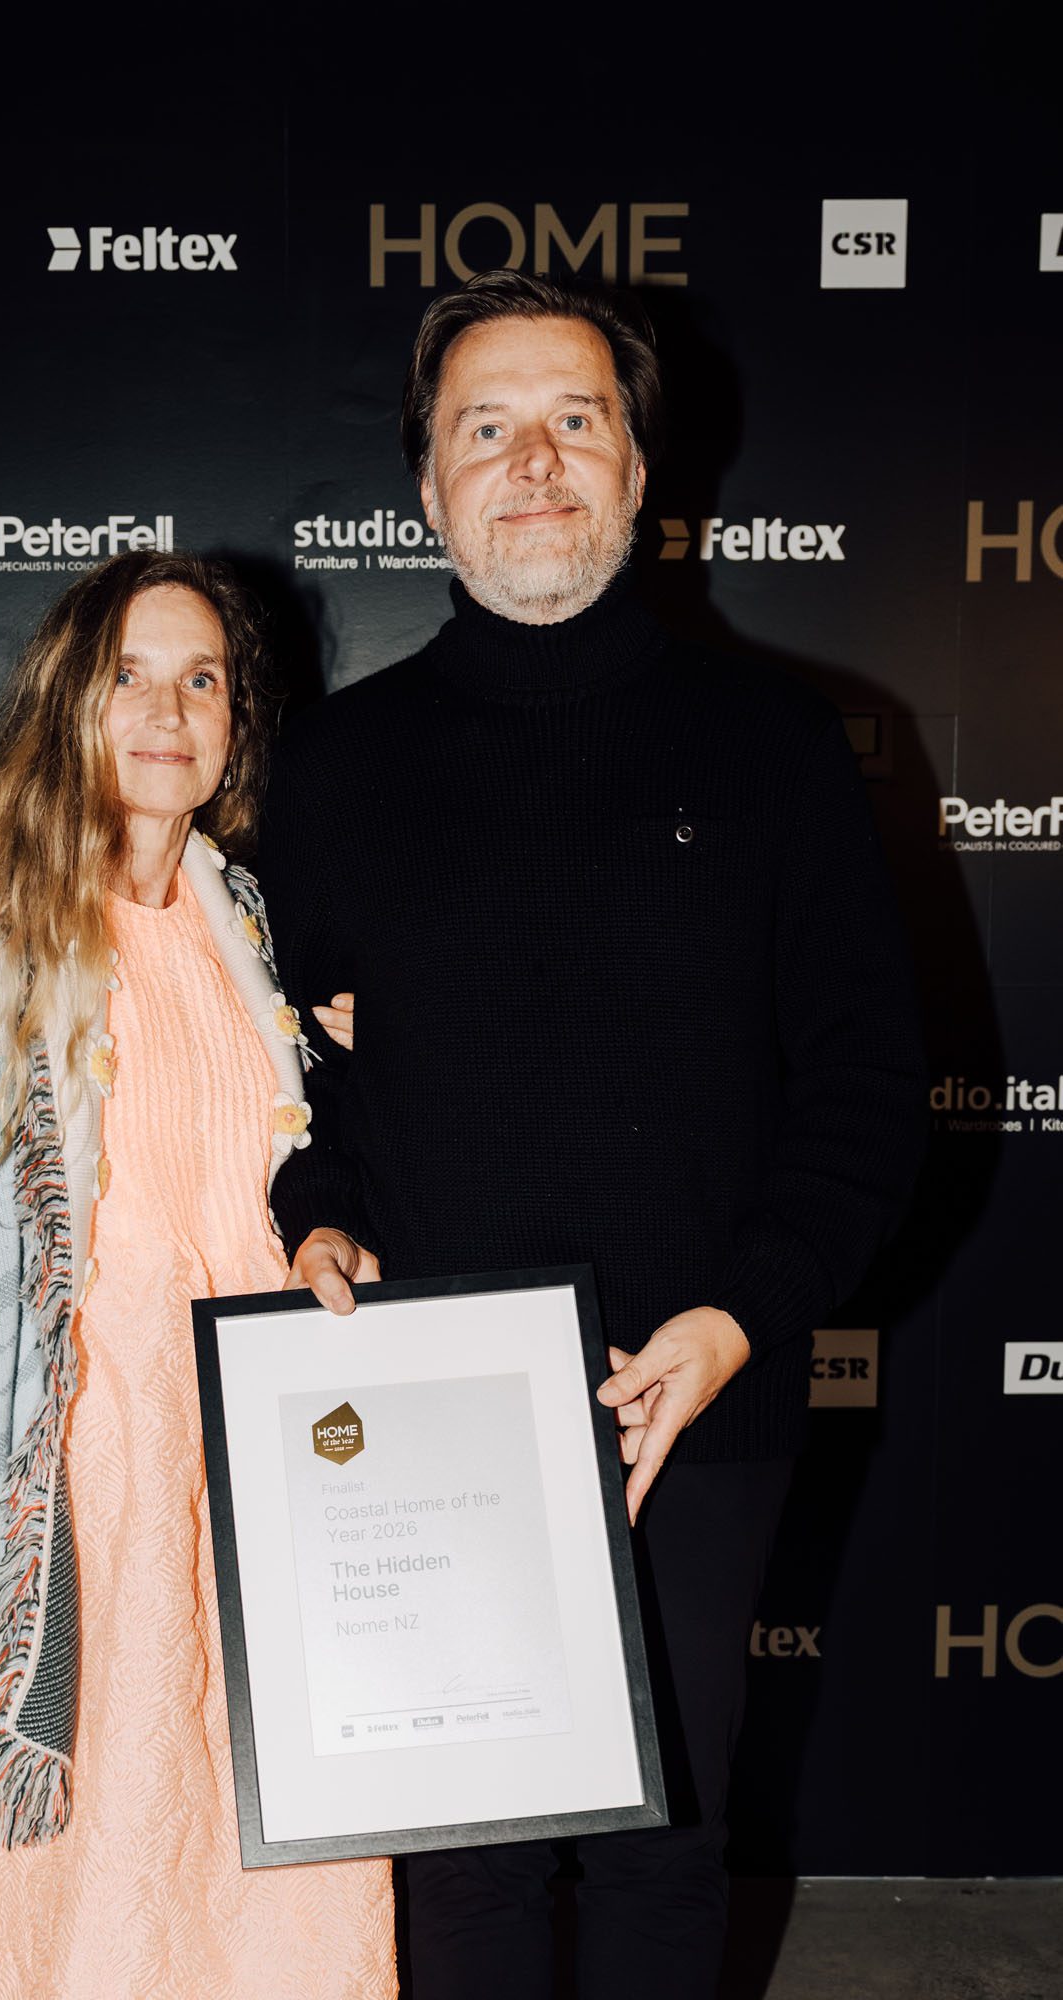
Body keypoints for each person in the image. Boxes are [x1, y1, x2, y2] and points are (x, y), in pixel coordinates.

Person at [254, 271, 927, 1999]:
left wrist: (736, 1321)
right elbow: (295, 1087)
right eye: (485, 427)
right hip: (425, 1412)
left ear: (638, 469)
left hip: (694, 1392)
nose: (533, 461)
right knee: (459, 1874)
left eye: (575, 419)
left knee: (661, 1856)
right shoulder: (331, 770)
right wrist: (317, 1214)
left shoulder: (776, 745)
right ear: (429, 487)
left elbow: (866, 1089)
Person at [0, 551, 394, 2000]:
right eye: (129, 675)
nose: (168, 710)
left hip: (246, 1457)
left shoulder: (246, 925)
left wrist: (318, 1232)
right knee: (77, 1862)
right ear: (68, 702)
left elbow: (282, 1168)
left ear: (236, 721)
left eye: (202, 678)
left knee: (253, 1842)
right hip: (68, 1470)